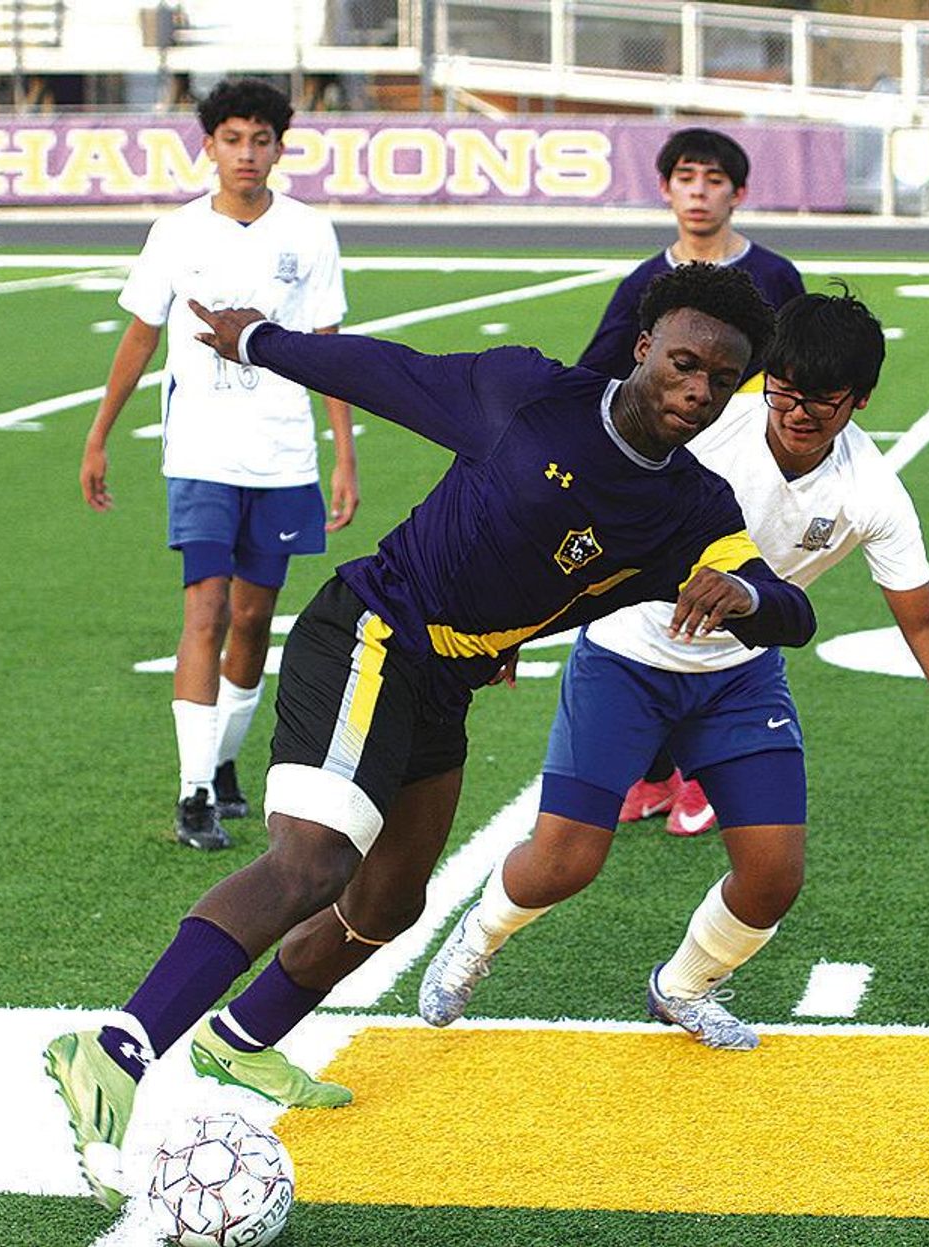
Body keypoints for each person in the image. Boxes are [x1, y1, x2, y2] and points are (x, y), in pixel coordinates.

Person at [45, 263, 817, 1212]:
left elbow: (788, 609)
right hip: (373, 627)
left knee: (389, 901)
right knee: (313, 863)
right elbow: (384, 370)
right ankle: (115, 1048)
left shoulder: (694, 507)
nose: (696, 391)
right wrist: (256, 340)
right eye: (684, 362)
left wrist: (746, 594)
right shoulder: (528, 394)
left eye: (720, 377)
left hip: (447, 677)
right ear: (644, 345)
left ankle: (240, 1039)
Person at [420, 289, 929, 1051]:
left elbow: (924, 616)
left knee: (772, 875)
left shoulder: (871, 493)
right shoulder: (702, 430)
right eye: (785, 390)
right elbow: (569, 509)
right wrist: (515, 626)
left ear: (860, 399)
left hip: (739, 674)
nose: (798, 412)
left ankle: (684, 986)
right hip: (628, 654)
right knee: (564, 861)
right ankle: (477, 937)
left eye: (823, 401)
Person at [78, 76, 358, 852]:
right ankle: (194, 789)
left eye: (260, 140)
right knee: (203, 609)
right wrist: (100, 433)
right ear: (209, 146)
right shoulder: (176, 233)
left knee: (253, 617)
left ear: (279, 147)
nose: (246, 153)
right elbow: (139, 335)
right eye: (231, 139)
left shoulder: (309, 231)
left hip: (282, 454)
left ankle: (224, 762)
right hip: (200, 453)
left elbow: (328, 349)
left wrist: (344, 454)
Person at [580, 127, 804, 835]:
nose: (699, 192)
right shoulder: (644, 285)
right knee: (638, 608)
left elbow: (798, 374)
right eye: (686, 178)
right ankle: (652, 775)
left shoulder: (774, 276)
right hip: (661, 468)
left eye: (714, 180)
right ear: (666, 187)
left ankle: (705, 772)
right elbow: (595, 375)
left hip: (740, 478)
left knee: (723, 614)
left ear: (738, 193)